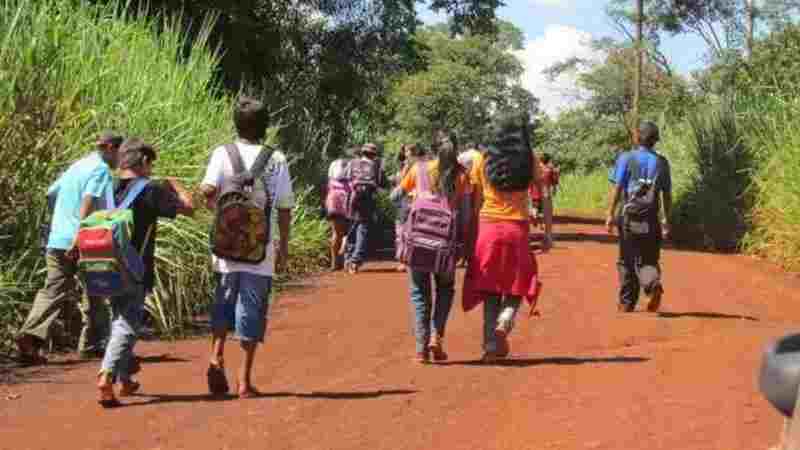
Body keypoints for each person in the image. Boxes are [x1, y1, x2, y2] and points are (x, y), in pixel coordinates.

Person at [200, 96, 295, 398]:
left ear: (236, 124)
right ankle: (244, 380)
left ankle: (216, 356)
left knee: (223, 304)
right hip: (259, 250)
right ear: (264, 126)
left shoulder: (222, 153)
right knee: (252, 310)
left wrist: (220, 209)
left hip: (225, 246)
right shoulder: (276, 159)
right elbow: (283, 207)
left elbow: (208, 190)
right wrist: (283, 247)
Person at [96, 137, 194, 408]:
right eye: (150, 164)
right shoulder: (150, 189)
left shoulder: (108, 187)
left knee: (117, 318)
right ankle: (106, 377)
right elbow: (190, 208)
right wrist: (176, 186)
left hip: (102, 263)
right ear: (143, 162)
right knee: (127, 324)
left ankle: (125, 380)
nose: (151, 169)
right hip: (134, 268)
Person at [15, 131, 123, 365]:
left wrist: (63, 220)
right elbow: (88, 199)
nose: (120, 159)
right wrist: (79, 231)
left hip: (57, 236)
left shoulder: (77, 166)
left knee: (53, 289)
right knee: (97, 289)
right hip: (86, 237)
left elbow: (50, 193)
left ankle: (30, 337)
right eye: (119, 153)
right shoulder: (101, 169)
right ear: (111, 148)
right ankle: (93, 344)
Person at [462, 114, 543, 362]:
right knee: (520, 283)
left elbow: (474, 205)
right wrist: (548, 234)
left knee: (490, 290)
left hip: (488, 229)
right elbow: (544, 195)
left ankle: (489, 348)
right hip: (517, 229)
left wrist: (469, 238)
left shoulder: (481, 161)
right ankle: (506, 319)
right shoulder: (530, 160)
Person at [397, 134, 471, 363]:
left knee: (419, 293)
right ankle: (436, 337)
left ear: (433, 149)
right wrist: (465, 246)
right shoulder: (461, 175)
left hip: (417, 241)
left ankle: (421, 349)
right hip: (445, 246)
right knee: (446, 289)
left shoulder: (418, 169)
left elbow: (395, 196)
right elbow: (466, 215)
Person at [605, 121, 672, 313]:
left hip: (629, 218)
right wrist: (666, 220)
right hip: (651, 220)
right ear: (655, 141)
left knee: (626, 260)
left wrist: (610, 214)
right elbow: (666, 194)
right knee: (648, 260)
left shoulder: (626, 158)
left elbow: (617, 188)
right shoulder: (662, 163)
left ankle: (626, 303)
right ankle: (653, 284)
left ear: (637, 137)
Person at [344, 143, 388, 274]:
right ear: (374, 154)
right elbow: (382, 183)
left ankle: (348, 258)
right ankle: (355, 261)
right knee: (363, 228)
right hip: (368, 199)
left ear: (362, 153)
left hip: (353, 198)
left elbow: (346, 178)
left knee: (352, 227)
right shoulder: (376, 165)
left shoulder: (352, 163)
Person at [325, 146, 356, 271]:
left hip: (334, 201)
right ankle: (345, 261)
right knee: (348, 233)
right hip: (348, 201)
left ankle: (334, 263)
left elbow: (328, 182)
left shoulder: (333, 165)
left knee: (336, 234)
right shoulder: (353, 165)